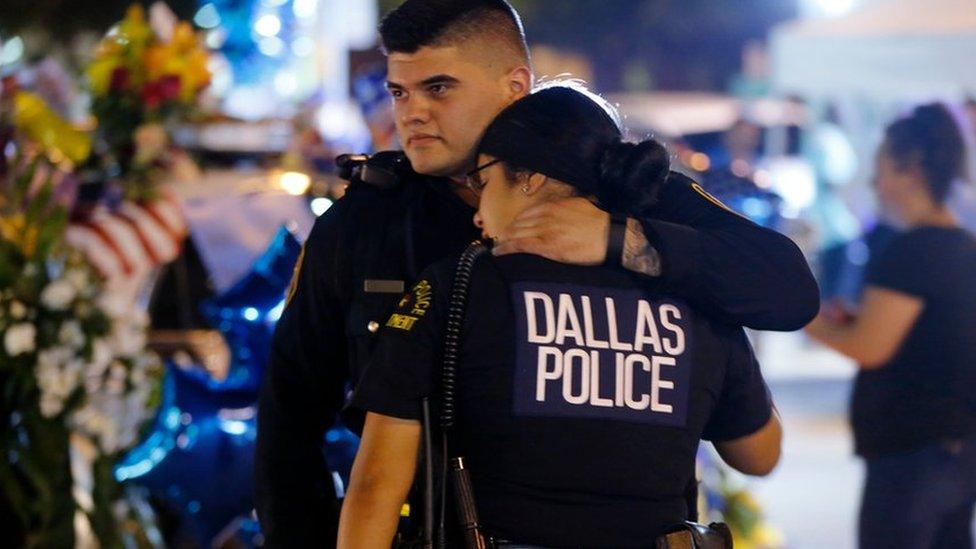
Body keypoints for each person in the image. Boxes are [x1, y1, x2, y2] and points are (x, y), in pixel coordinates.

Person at [255, 1, 817, 546]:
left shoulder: (633, 194)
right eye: (399, 91)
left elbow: (789, 291)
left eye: (439, 88)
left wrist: (622, 240)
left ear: (514, 86)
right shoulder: (368, 220)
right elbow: (291, 415)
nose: (412, 112)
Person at [339, 84, 783, 548]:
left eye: (483, 183)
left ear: (529, 176)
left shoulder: (457, 287)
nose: (477, 214)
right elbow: (759, 454)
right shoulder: (690, 287)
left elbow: (376, 485)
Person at [806, 103, 976, 549]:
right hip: (957, 451)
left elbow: (870, 347)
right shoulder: (963, 245)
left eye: (880, 169)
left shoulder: (911, 250)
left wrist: (806, 319)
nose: (874, 184)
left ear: (911, 170)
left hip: (912, 454)